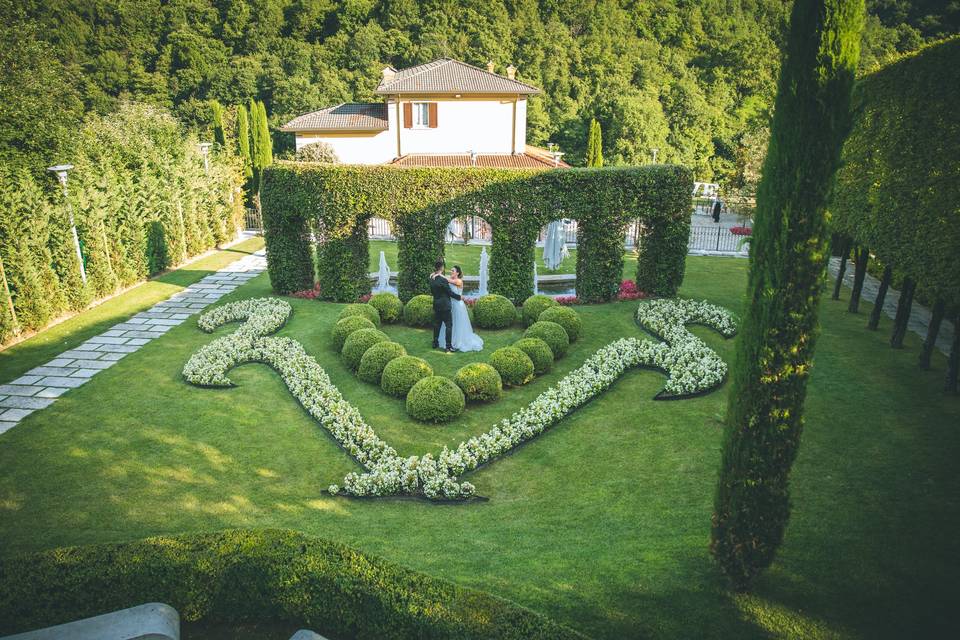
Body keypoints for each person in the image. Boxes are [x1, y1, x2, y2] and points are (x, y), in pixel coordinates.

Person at [437, 265, 484, 352]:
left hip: (458, 306)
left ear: (457, 273)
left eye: (453, 271)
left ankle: (458, 341)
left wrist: (438, 274)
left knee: (458, 323)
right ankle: (449, 341)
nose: (451, 272)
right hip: (450, 305)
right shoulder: (451, 280)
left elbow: (448, 280)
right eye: (451, 270)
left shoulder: (459, 281)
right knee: (450, 324)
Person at [429, 258, 461, 352]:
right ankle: (448, 346)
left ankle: (435, 342)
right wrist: (459, 297)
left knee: (437, 325)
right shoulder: (443, 280)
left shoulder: (431, 278)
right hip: (445, 306)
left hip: (436, 304)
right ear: (442, 268)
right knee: (448, 325)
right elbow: (450, 292)